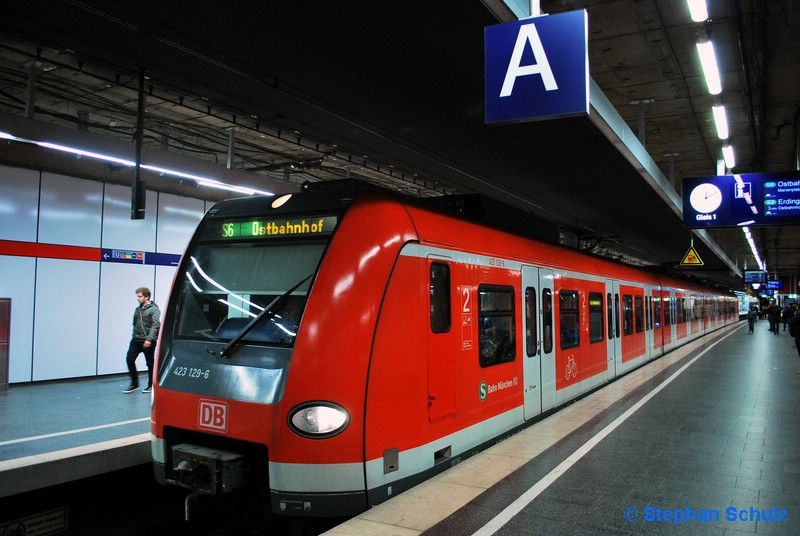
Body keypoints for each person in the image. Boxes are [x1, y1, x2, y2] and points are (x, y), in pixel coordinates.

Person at [123, 287, 161, 394]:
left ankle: (151, 385)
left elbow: (155, 325)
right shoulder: (137, 309)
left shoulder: (154, 310)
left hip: (148, 340)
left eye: (140, 296)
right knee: (130, 359)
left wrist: (149, 339)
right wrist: (134, 335)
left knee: (150, 363)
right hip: (136, 339)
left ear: (147, 297)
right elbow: (134, 324)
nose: (138, 298)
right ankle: (134, 384)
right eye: (137, 296)